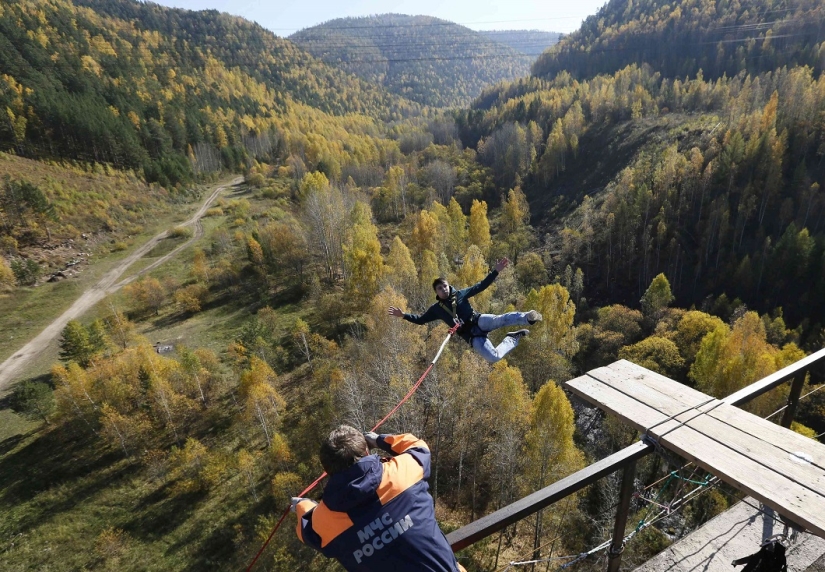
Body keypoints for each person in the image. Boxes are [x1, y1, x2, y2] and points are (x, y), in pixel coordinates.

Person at [292, 425, 466, 572]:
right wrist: (378, 440)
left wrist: (303, 504)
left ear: (328, 472)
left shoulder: (323, 522)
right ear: (366, 450)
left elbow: (305, 528)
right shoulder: (403, 473)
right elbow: (419, 447)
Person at [388, 257, 542, 363]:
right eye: (440, 288)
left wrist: (495, 271)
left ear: (449, 286)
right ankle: (512, 339)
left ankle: (527, 317)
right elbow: (421, 320)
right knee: (494, 357)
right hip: (471, 337)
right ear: (437, 293)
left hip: (478, 321)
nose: (443, 289)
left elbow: (480, 286)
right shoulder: (436, 309)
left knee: (499, 320)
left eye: (445, 286)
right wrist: (404, 315)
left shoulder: (460, 294)